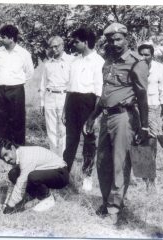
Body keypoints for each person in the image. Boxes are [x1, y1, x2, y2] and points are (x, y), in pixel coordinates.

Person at [84, 23, 149, 223]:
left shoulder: (136, 62)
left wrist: (144, 126)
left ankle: (115, 207)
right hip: (106, 116)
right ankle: (106, 201)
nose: (115, 43)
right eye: (111, 40)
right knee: (102, 161)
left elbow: (142, 97)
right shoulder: (108, 61)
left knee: (119, 163)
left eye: (118, 39)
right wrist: (92, 116)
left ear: (126, 38)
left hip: (124, 117)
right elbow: (104, 94)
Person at [63, 27, 104, 191]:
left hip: (89, 102)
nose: (74, 43)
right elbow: (69, 88)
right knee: (70, 140)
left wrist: (94, 116)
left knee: (89, 141)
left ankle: (87, 175)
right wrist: (65, 110)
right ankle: (63, 174)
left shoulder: (98, 62)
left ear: (86, 42)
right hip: (73, 101)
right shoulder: (75, 61)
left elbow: (99, 93)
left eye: (77, 41)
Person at [0, 139, 69, 213]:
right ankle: (37, 196)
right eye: (3, 158)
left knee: (33, 176)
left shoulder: (26, 157)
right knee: (13, 174)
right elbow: (14, 184)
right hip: (50, 172)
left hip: (61, 174)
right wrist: (6, 203)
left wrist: (10, 206)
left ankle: (46, 197)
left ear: (12, 148)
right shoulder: (19, 155)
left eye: (6, 154)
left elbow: (21, 183)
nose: (6, 160)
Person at [0, 24, 34, 146]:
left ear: (11, 38)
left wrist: (16, 82)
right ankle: (2, 147)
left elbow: (30, 72)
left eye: (3, 37)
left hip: (16, 90)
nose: (1, 39)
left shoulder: (24, 53)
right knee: (0, 119)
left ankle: (18, 148)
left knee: (17, 120)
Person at [137, 43, 163, 190]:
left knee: (151, 142)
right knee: (139, 143)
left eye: (147, 55)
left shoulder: (159, 68)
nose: (144, 57)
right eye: (141, 54)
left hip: (153, 108)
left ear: (152, 55)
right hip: (137, 108)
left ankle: (151, 181)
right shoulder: (135, 68)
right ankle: (145, 178)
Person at [40, 36, 74, 156]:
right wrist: (42, 103)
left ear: (62, 46)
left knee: (64, 129)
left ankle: (63, 158)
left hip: (64, 97)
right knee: (51, 129)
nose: (54, 49)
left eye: (56, 46)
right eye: (52, 47)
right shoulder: (48, 64)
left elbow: (73, 83)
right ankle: (53, 156)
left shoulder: (71, 61)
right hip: (49, 96)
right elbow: (43, 84)